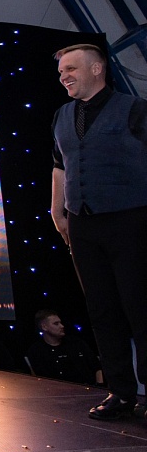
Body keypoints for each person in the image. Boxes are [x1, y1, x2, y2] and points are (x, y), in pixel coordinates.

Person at [50, 43, 147, 421]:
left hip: (130, 219)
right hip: (83, 223)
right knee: (102, 310)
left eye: (71, 69)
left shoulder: (134, 109)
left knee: (140, 307)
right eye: (61, 72)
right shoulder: (62, 115)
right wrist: (57, 211)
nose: (64, 77)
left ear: (96, 69)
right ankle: (120, 392)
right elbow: (60, 166)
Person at [26, 310, 101, 386]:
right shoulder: (36, 351)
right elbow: (41, 379)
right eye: (56, 324)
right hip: (57, 390)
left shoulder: (76, 343)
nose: (62, 326)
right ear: (44, 327)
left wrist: (100, 385)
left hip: (88, 388)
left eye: (60, 323)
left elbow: (97, 366)